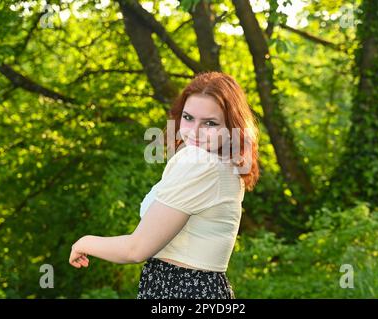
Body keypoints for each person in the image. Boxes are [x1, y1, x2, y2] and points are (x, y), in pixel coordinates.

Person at [69, 71, 260, 299]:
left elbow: (136, 249)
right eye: (188, 118)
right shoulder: (224, 163)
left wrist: (84, 242)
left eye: (210, 122)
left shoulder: (200, 164)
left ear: (231, 127)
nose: (194, 132)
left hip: (182, 291)